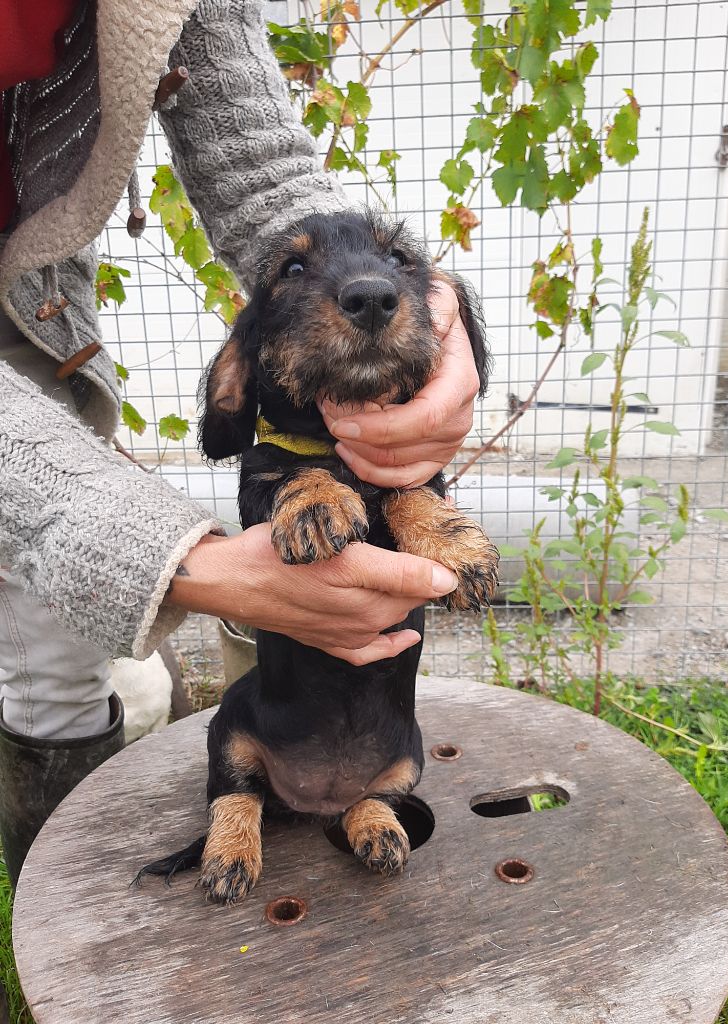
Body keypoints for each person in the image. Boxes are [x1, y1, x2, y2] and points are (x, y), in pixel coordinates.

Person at [0, 0, 480, 885]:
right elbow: (235, 457)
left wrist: (451, 333)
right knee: (45, 663)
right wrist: (171, 558)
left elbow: (246, 133)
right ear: (241, 372)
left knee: (61, 659)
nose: (372, 291)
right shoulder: (259, 426)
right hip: (269, 729)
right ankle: (68, 894)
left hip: (29, 285)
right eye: (298, 276)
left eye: (396, 272)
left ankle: (366, 799)